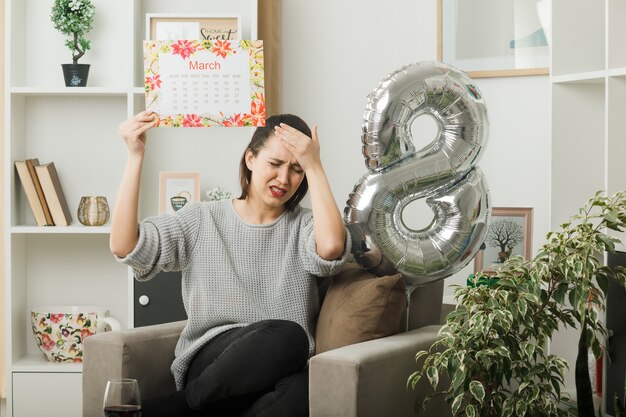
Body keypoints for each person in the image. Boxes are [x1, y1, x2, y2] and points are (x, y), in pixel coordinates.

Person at [109, 111, 351, 417]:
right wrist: (134, 157)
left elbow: (330, 248)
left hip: (277, 371)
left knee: (308, 390)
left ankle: (179, 409)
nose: (283, 179)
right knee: (289, 336)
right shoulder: (202, 219)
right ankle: (182, 405)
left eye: (297, 170)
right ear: (250, 159)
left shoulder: (305, 226)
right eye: (275, 164)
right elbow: (124, 245)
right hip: (213, 365)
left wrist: (315, 165)